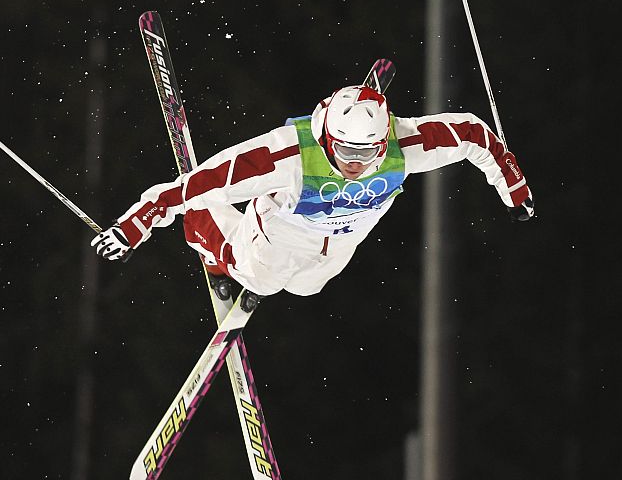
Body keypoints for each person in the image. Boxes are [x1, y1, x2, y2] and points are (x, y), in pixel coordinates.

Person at [91, 83, 534, 312]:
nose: (355, 164)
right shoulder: (286, 153)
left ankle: (265, 266)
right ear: (326, 136)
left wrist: (514, 189)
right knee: (261, 279)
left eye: (368, 153)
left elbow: (475, 133)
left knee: (305, 287)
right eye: (344, 151)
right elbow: (201, 180)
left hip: (342, 240)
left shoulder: (406, 144)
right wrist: (135, 226)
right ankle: (210, 236)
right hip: (281, 229)